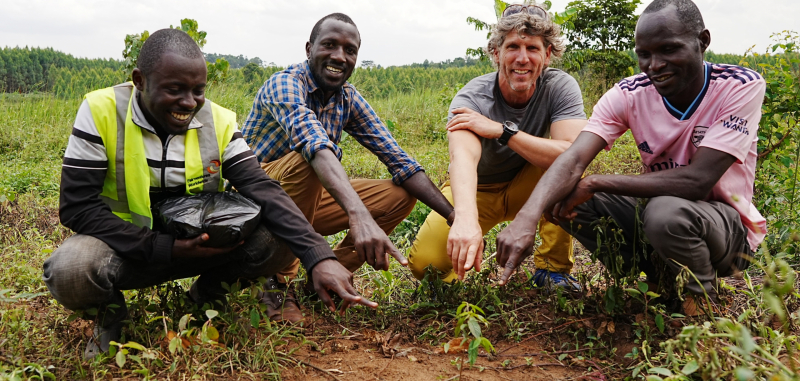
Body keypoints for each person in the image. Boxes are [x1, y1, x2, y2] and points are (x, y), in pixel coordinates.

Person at [42, 29, 374, 359]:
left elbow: (263, 188)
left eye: (198, 90)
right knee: (70, 268)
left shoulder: (217, 120)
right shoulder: (101, 110)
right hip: (125, 246)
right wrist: (162, 246)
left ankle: (205, 298)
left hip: (201, 248)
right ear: (140, 80)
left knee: (282, 237)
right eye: (174, 89)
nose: (189, 103)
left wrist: (319, 256)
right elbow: (77, 207)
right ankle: (110, 319)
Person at [494, 0, 766, 316]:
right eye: (644, 54)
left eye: (669, 49)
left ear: (702, 41)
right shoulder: (630, 93)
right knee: (560, 194)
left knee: (665, 212)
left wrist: (596, 182)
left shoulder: (738, 86)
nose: (655, 65)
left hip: (727, 232)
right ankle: (657, 275)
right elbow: (573, 158)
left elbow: (697, 181)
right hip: (662, 218)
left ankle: (701, 298)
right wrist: (527, 218)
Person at [242, 13, 454, 322]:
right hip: (252, 204)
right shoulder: (285, 84)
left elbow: (399, 160)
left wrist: (454, 217)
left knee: (399, 196)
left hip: (300, 202)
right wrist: (358, 214)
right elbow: (314, 145)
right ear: (309, 49)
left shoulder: (347, 98)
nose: (339, 56)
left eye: (349, 50)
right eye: (329, 45)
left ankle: (327, 276)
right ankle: (276, 280)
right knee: (309, 160)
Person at [407, 4, 587, 291]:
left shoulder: (559, 86)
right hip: (479, 189)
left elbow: (574, 153)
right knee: (425, 265)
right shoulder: (472, 97)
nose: (522, 58)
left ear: (547, 54)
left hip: (530, 185)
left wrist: (503, 132)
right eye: (513, 46)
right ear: (496, 53)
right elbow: (463, 158)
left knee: (566, 169)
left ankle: (552, 269)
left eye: (533, 48)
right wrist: (465, 219)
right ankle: (458, 277)